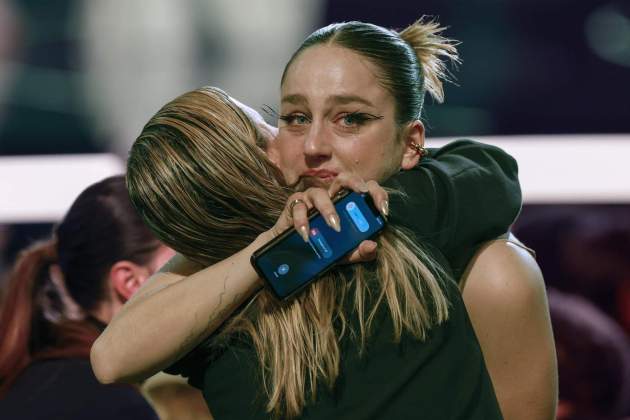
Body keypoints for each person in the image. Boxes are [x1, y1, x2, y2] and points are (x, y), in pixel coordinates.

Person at [93, 18, 553, 418]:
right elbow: (111, 359)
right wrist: (283, 246)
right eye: (292, 119)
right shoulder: (222, 289)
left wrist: (355, 218)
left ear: (411, 143)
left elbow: (492, 172)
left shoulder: (428, 218)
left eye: (350, 119)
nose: (311, 144)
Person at [0, 176, 173, 419]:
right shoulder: (114, 406)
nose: (199, 283)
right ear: (130, 281)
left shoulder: (34, 382)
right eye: (183, 265)